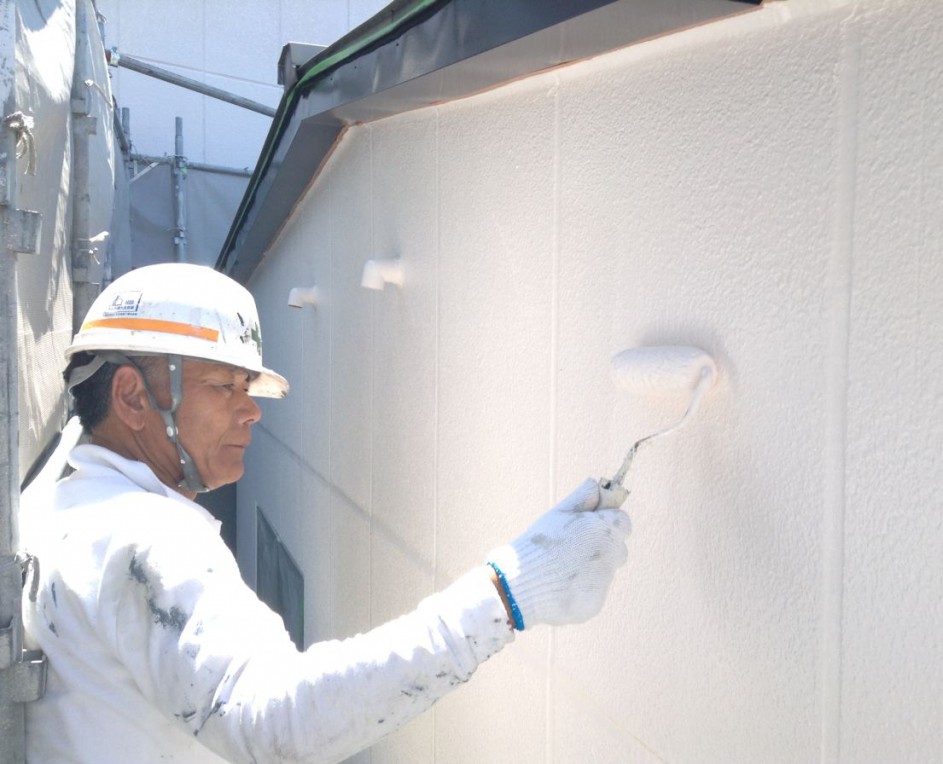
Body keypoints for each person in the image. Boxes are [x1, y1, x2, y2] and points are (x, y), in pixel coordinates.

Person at [20, 263, 631, 763]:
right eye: (224, 386)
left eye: (247, 388)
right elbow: (278, 725)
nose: (251, 410)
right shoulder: (145, 537)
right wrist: (510, 591)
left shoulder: (58, 501)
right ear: (132, 396)